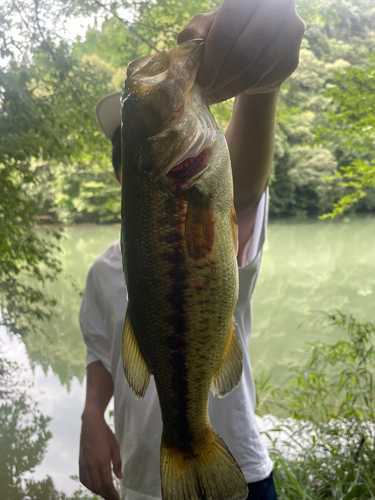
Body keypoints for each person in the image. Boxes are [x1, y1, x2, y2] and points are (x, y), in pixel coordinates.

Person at [78, 1, 305, 499]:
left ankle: (191, 434)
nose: (155, 114)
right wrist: (92, 414)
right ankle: (185, 441)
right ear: (125, 175)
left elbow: (242, 186)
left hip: (238, 467)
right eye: (140, 132)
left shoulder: (210, 199)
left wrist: (261, 85)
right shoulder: (101, 272)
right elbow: (102, 352)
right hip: (140, 478)